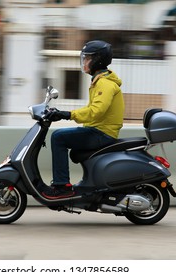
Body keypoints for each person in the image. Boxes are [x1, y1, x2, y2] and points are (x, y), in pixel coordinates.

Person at [42, 40, 125, 199]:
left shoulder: (105, 84)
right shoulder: (99, 81)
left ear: (98, 60)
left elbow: (96, 112)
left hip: (102, 134)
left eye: (88, 58)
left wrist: (67, 114)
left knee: (58, 137)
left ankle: (62, 186)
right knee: (63, 137)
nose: (85, 62)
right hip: (96, 130)